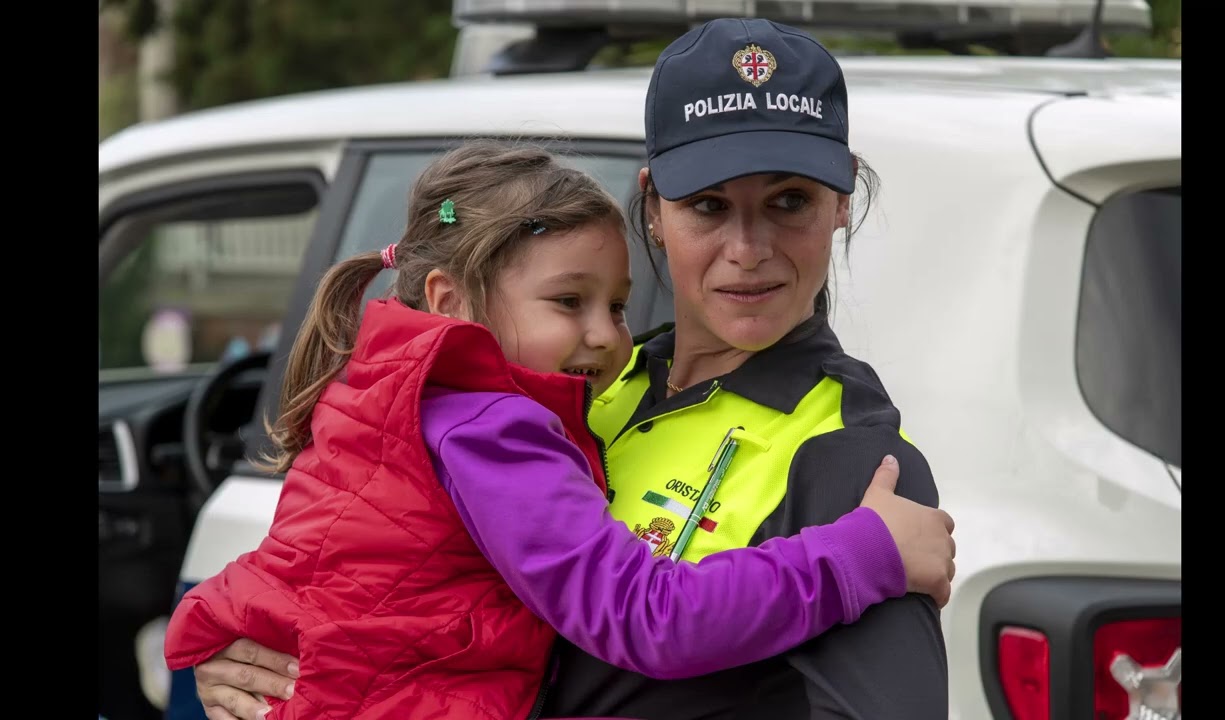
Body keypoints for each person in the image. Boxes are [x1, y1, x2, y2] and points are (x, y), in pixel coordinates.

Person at [166, 140, 956, 720]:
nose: (608, 338)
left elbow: (319, 555)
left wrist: (211, 628)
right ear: (449, 303)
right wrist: (865, 554)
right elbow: (648, 616)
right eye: (568, 303)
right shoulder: (500, 425)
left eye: (616, 305)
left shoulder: (389, 396)